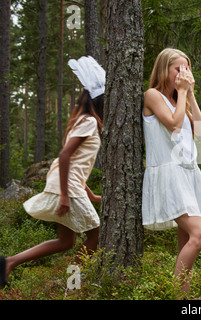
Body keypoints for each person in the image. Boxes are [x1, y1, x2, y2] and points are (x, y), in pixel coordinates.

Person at [0, 56, 105, 289]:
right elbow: (66, 155)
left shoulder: (82, 120)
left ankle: (8, 262)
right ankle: (73, 286)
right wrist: (67, 195)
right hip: (65, 186)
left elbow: (75, 162)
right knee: (95, 236)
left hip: (67, 182)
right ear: (99, 101)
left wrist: (89, 194)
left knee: (66, 241)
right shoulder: (88, 121)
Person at [142, 48, 201, 296]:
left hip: (188, 175)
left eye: (187, 69)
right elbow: (173, 125)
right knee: (200, 235)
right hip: (169, 176)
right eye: (178, 69)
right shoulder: (153, 95)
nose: (184, 73)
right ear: (164, 70)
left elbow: (200, 131)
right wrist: (181, 93)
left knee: (187, 246)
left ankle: (183, 298)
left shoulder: (178, 100)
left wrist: (189, 94)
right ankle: (172, 294)